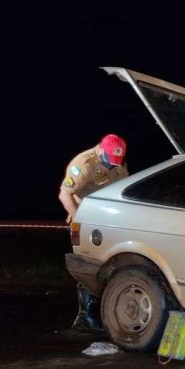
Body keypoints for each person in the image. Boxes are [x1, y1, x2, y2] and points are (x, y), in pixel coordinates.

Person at [59, 134, 129, 331]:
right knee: (89, 265)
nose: (111, 165)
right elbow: (64, 194)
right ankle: (85, 318)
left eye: (116, 161)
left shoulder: (118, 162)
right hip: (86, 221)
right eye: (108, 161)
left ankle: (100, 313)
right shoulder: (84, 164)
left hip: (108, 221)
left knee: (108, 265)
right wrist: (79, 221)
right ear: (100, 149)